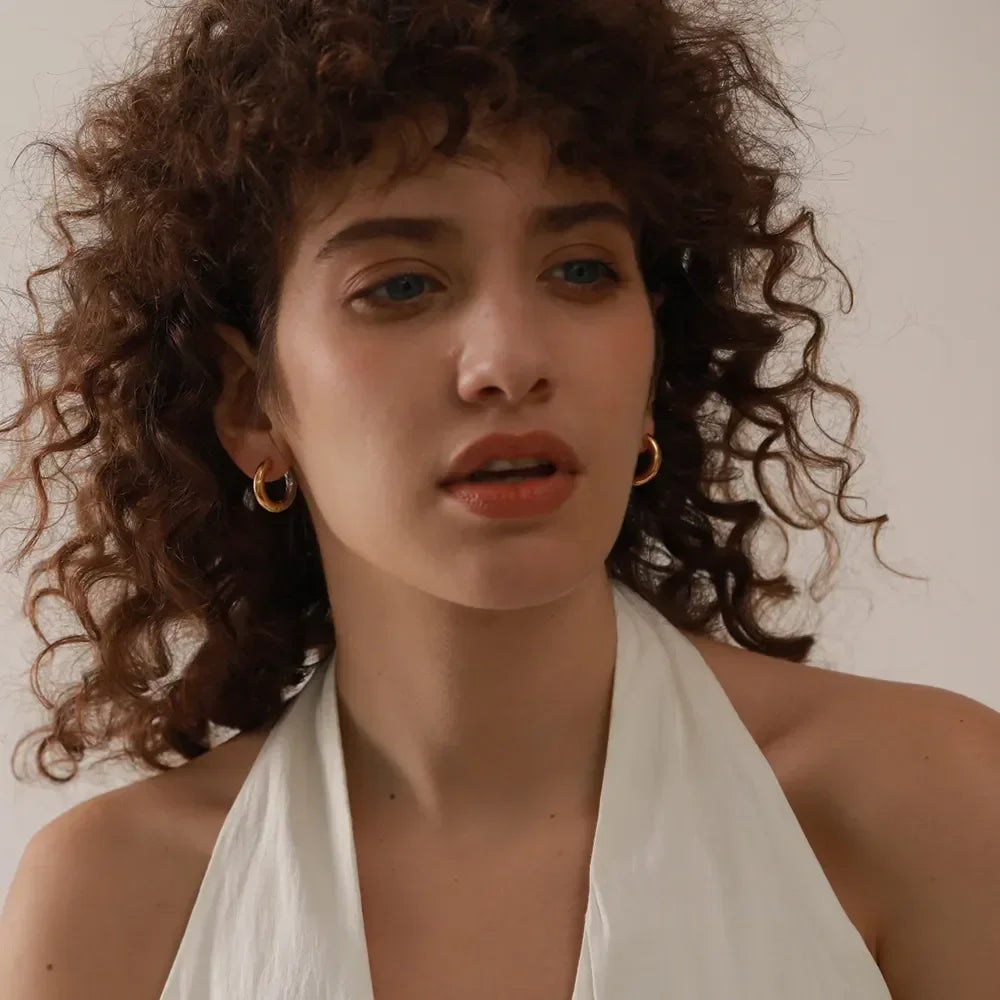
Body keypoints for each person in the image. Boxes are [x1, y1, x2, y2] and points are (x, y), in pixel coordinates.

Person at [1, 0, 999, 997]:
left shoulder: (925, 800)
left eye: (580, 270)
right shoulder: (116, 909)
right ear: (248, 404)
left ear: (655, 356)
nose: (510, 362)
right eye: (400, 286)